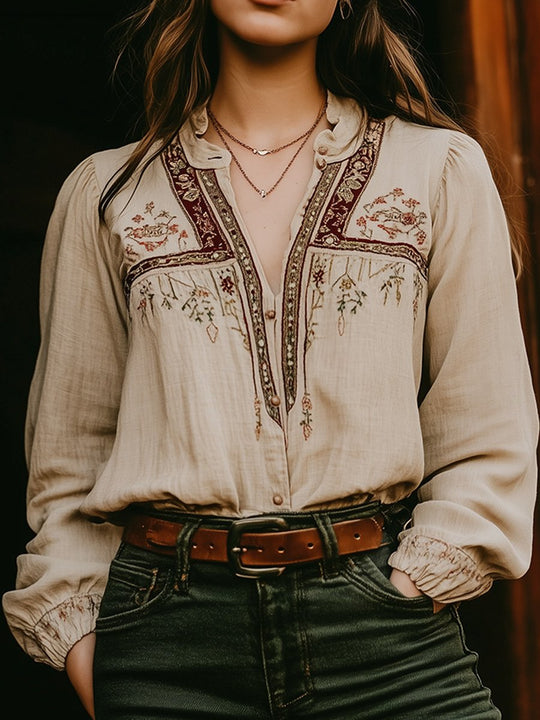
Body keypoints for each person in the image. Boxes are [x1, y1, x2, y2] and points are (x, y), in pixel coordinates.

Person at [3, 0, 538, 717]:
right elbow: (69, 462)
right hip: (170, 642)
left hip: (386, 635)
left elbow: (487, 426)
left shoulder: (436, 170)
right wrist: (90, 654)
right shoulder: (107, 194)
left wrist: (411, 584)